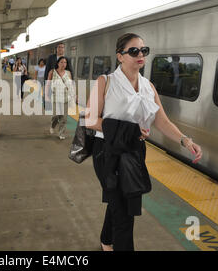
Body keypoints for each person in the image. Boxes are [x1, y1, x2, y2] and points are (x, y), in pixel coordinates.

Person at [86, 33, 202, 251]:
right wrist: (129, 130)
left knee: (119, 203)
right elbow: (90, 119)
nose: (140, 54)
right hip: (108, 154)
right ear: (120, 56)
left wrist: (185, 140)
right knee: (124, 215)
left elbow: (162, 121)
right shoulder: (106, 82)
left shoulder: (149, 86)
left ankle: (105, 241)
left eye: (143, 50)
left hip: (134, 153)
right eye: (134, 51)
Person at [46, 56, 76, 140]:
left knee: (64, 117)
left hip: (66, 97)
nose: (63, 64)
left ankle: (61, 133)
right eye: (61, 62)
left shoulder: (68, 73)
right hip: (55, 97)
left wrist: (74, 95)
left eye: (65, 62)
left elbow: (71, 85)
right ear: (58, 63)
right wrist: (47, 95)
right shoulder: (52, 72)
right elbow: (48, 84)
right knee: (56, 115)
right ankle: (52, 125)